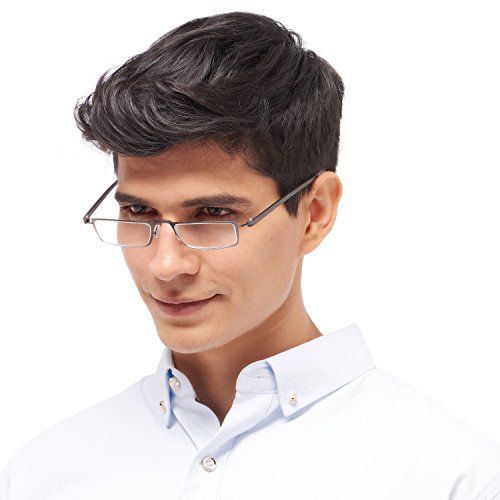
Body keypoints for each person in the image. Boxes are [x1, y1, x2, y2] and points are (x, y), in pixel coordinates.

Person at [1, 11, 500, 500]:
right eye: (139, 210)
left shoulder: (451, 477)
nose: (165, 265)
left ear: (315, 212)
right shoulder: (45, 474)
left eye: (214, 213)